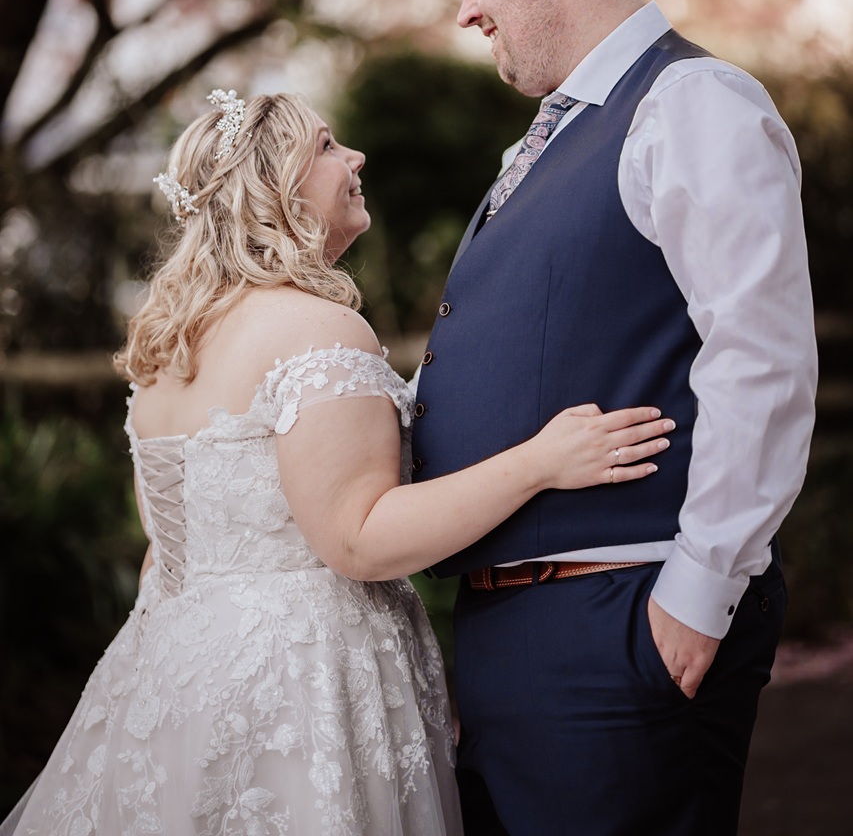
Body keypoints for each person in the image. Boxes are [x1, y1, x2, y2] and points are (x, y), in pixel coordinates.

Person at [1, 89, 675, 836]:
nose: (353, 159)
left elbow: (167, 553)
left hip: (173, 677)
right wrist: (540, 463)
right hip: (300, 684)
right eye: (325, 146)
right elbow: (359, 538)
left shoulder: (169, 351)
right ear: (275, 186)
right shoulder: (316, 327)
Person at [410, 0, 817, 836]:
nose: (467, 10)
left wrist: (697, 590)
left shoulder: (690, 102)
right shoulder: (544, 139)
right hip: (512, 626)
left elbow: (758, 352)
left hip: (621, 617)